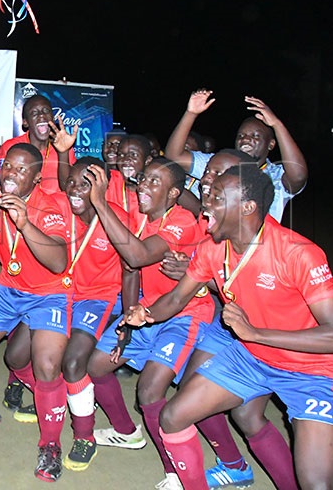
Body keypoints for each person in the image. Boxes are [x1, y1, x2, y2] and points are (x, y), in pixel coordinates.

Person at [129, 164, 333, 489]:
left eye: (217, 197)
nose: (205, 204)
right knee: (174, 416)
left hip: (310, 370)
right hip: (252, 356)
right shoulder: (212, 248)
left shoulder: (299, 254)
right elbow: (178, 297)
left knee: (317, 482)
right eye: (207, 195)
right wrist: (147, 314)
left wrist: (255, 334)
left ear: (247, 207)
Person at [84, 158, 208, 490]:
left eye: (155, 182)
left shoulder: (182, 222)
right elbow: (131, 270)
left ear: (174, 194)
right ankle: (126, 432)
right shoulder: (139, 216)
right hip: (147, 310)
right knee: (96, 365)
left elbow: (138, 255)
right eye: (144, 179)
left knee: (150, 391)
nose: (144, 186)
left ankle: (175, 472)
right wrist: (126, 321)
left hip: (184, 313)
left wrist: (99, 202)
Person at [0, 143, 69, 482]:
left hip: (49, 294)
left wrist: (25, 223)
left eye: (22, 170)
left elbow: (58, 263)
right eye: (8, 166)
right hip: (9, 287)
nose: (11, 173)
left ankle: (50, 446)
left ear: (36, 178)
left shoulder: (48, 206)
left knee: (47, 366)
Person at [158, 149, 259, 488]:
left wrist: (197, 278)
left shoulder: (261, 235)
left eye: (219, 176)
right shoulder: (207, 216)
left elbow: (240, 286)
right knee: (190, 394)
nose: (208, 179)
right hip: (224, 320)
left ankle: (236, 465)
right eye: (208, 173)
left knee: (249, 417)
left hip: (260, 330)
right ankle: (233, 464)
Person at [54, 158, 126, 472]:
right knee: (25, 353)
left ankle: (84, 436)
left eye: (85, 184)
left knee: (73, 362)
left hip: (97, 299)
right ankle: (64, 396)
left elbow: (132, 268)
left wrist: (128, 320)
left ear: (102, 187)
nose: (75, 189)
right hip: (61, 293)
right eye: (71, 182)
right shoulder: (59, 208)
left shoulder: (116, 218)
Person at [165, 89, 308, 221]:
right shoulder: (217, 164)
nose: (245, 139)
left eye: (255, 136)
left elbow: (299, 176)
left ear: (271, 144)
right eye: (241, 135)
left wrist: (277, 125)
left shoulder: (275, 176)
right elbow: (174, 156)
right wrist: (191, 114)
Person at [0, 95, 74, 193]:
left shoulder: (65, 147)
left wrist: (63, 153)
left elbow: (68, 189)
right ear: (25, 122)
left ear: (52, 117)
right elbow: (3, 184)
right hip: (22, 202)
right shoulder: (11, 147)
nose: (41, 115)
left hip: (57, 203)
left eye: (46, 111)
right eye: (34, 112)